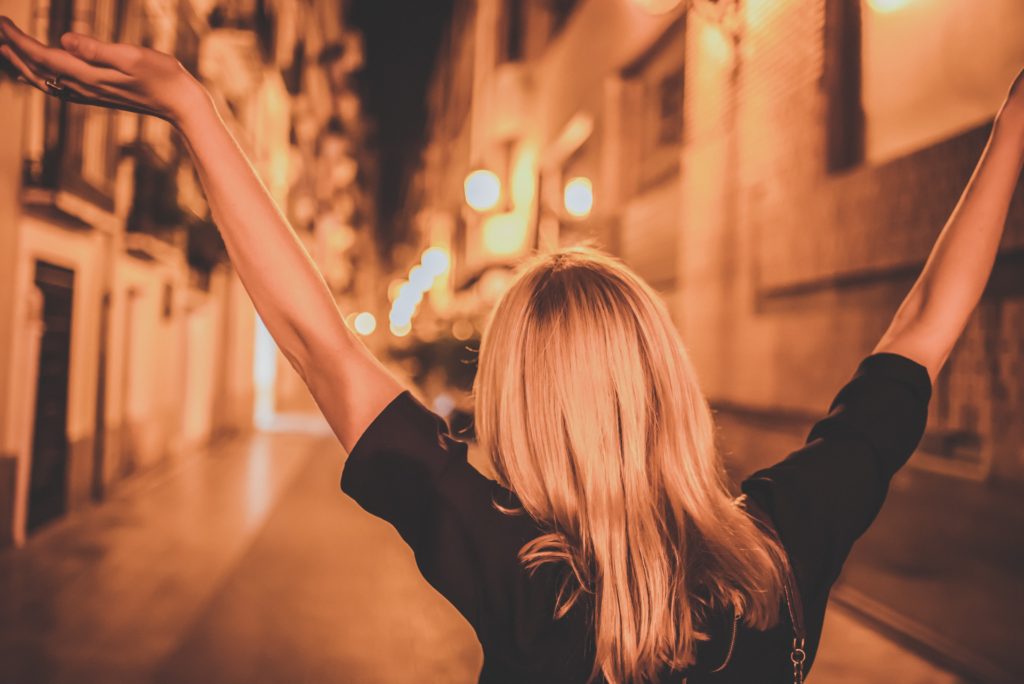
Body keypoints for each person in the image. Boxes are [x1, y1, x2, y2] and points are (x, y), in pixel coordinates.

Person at [1, 18, 1021, 683]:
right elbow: (922, 326)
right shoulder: (785, 543)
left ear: (527, 410)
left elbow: (318, 342)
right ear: (662, 379)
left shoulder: (520, 569)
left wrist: (191, 107)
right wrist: (1014, 120)